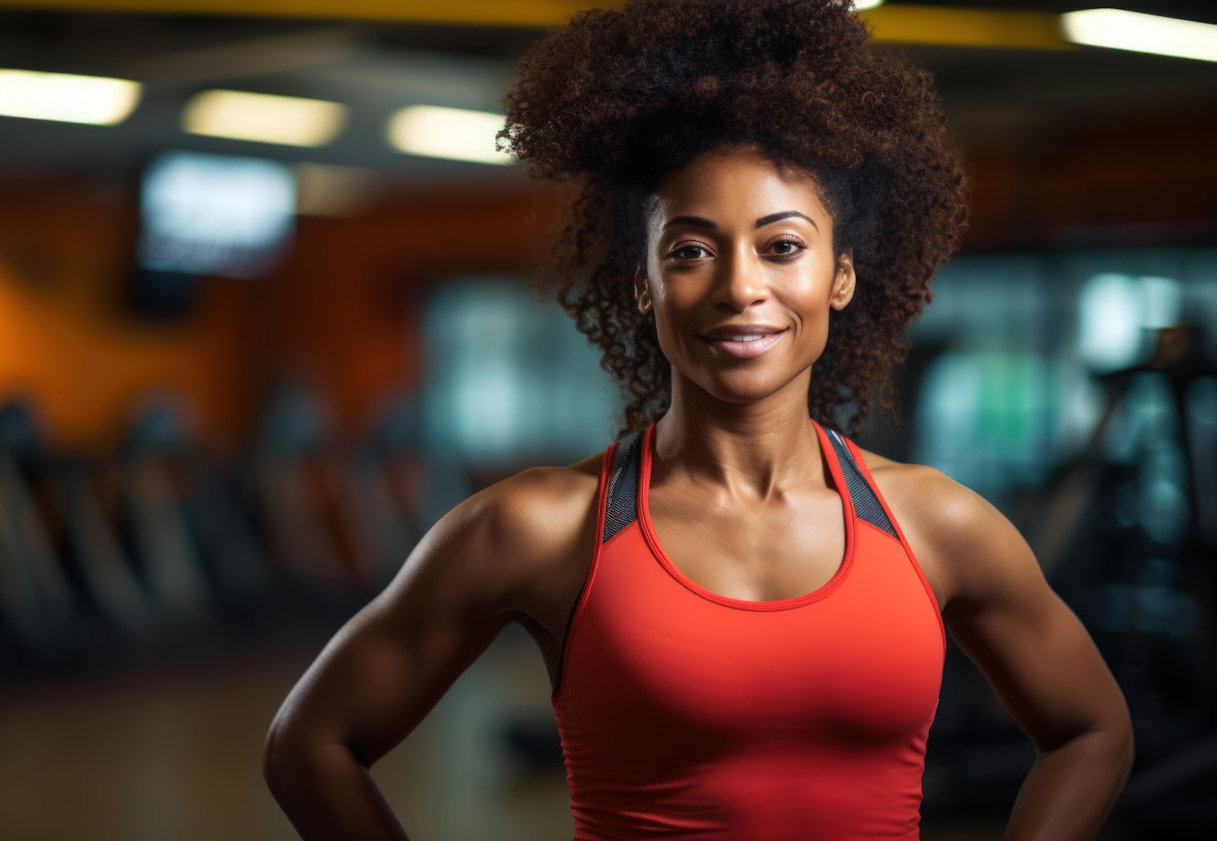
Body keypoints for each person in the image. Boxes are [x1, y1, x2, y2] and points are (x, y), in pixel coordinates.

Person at [262, 0, 1134, 838]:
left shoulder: (939, 525)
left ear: (842, 276)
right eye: (691, 250)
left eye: (782, 246)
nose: (739, 287)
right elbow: (310, 745)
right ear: (643, 283)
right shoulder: (536, 527)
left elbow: (1092, 731)